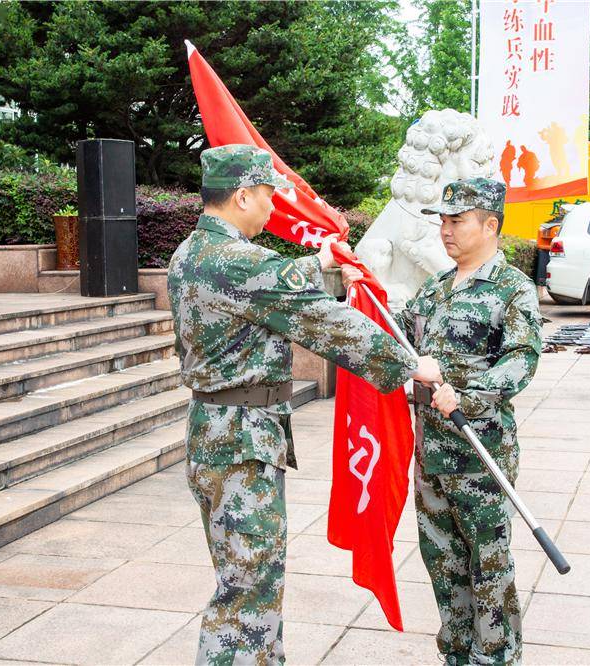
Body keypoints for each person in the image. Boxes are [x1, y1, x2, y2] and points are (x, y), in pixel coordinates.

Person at [168, 144, 442, 665]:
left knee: (249, 577)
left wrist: (324, 267)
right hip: (242, 441)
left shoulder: (193, 254)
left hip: (216, 432)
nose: (274, 209)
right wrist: (410, 366)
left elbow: (269, 287)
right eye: (269, 196)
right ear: (243, 195)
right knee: (247, 591)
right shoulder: (238, 261)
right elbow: (326, 323)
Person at [343, 177, 542, 665]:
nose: (446, 231)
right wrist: (360, 291)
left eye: (457, 221)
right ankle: (455, 655)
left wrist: (468, 397)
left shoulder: (510, 288)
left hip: (481, 455)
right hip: (431, 455)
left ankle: (495, 658)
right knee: (443, 566)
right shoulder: (435, 289)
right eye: (443, 222)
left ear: (490, 225)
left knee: (487, 569)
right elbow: (398, 335)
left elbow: (521, 360)